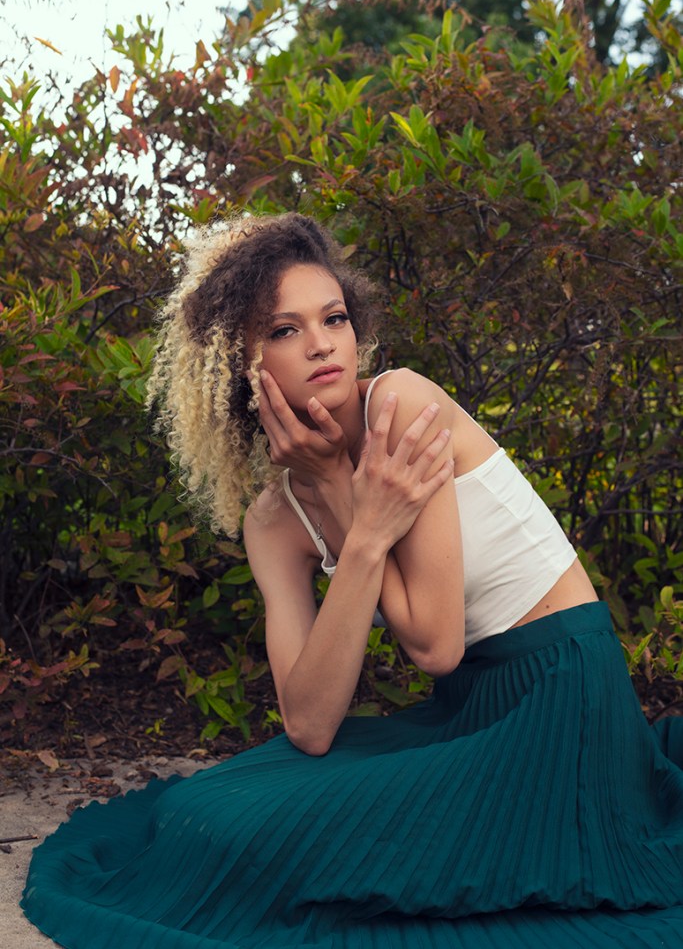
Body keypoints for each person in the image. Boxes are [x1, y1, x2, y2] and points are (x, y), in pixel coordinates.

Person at [22, 212, 683, 949]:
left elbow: (434, 645)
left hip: (564, 697)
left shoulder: (403, 404)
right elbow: (309, 725)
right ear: (237, 362)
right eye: (284, 329)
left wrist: (346, 495)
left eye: (333, 317)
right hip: (470, 711)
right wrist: (358, 519)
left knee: (282, 844)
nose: (321, 343)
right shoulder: (273, 522)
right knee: (206, 814)